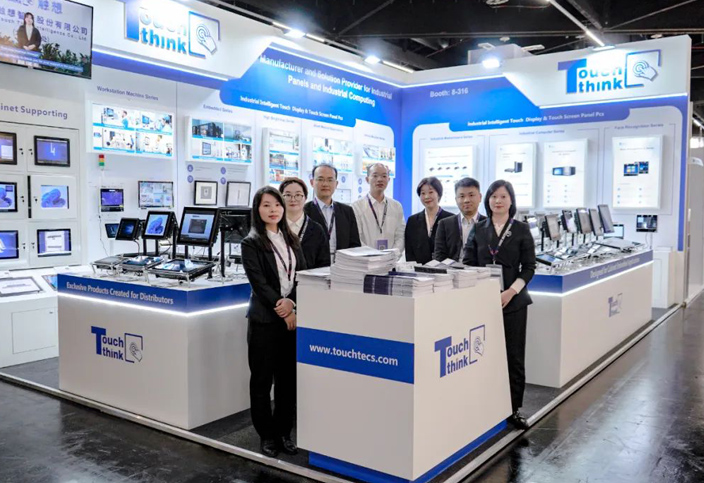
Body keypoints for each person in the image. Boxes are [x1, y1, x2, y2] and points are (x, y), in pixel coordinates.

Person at [462, 180, 536, 430]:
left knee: (513, 357)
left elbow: (529, 267)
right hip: (483, 302)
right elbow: (468, 263)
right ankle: (486, 405)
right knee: (483, 356)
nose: (498, 201)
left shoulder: (521, 229)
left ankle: (513, 409)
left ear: (511, 200)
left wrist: (510, 292)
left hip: (513, 302)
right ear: (488, 200)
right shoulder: (479, 228)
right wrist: (482, 289)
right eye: (494, 196)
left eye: (503, 196)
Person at [241, 187, 307, 458]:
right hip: (265, 321)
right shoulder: (251, 243)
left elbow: (302, 275)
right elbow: (259, 283)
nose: (273, 210)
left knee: (287, 382)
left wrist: (292, 303)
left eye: (277, 205)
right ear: (257, 210)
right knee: (261, 381)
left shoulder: (292, 239)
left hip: (290, 320)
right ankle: (266, 435)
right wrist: (283, 307)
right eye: (266, 205)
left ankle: (283, 432)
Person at [304, 163, 361, 260]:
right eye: (320, 179)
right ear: (312, 182)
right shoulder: (304, 211)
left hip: (343, 265)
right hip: (315, 266)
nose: (325, 184)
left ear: (336, 184)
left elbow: (355, 245)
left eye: (330, 180)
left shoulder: (347, 211)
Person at [352, 163, 405, 252]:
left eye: (384, 176)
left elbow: (400, 236)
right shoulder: (356, 207)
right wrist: (373, 256)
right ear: (367, 179)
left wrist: (392, 255)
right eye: (375, 176)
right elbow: (357, 237)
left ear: (388, 179)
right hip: (366, 258)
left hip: (391, 259)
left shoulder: (396, 206)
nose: (380, 179)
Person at [280, 177, 330, 269]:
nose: (293, 199)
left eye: (298, 195)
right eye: (287, 195)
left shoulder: (317, 230)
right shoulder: (274, 227)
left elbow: (324, 264)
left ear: (305, 198)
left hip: (309, 278)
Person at [434, 177, 486, 262]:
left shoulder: (488, 224)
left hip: (479, 269)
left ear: (480, 197)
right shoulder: (444, 224)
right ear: (456, 200)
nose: (466, 200)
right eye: (462, 196)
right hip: (450, 269)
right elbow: (439, 256)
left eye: (471, 195)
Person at [405, 177, 453, 264]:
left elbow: (453, 250)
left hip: (444, 269)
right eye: (423, 193)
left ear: (438, 194)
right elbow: (409, 251)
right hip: (419, 269)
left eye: (431, 192)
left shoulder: (451, 219)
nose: (426, 196)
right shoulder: (413, 220)